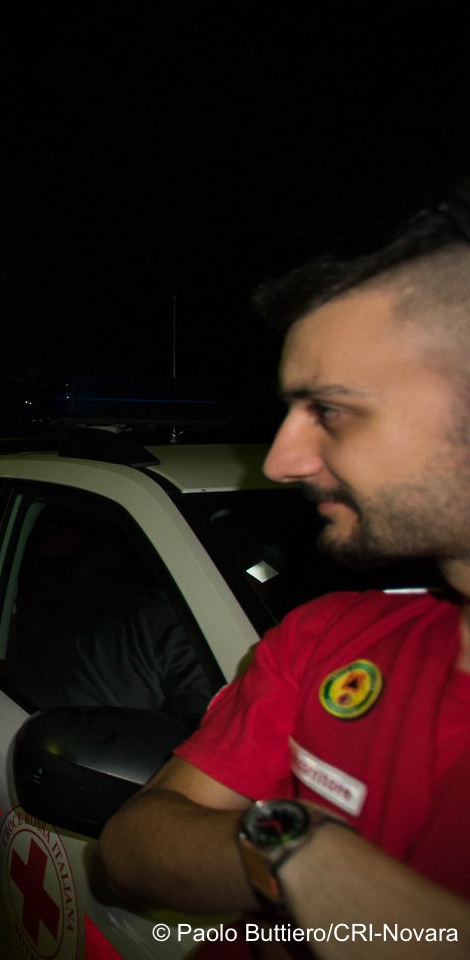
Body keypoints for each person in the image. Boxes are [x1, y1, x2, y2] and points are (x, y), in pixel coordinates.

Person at [98, 195, 470, 953]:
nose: (278, 462)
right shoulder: (330, 639)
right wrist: (292, 845)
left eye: (329, 410)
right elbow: (132, 848)